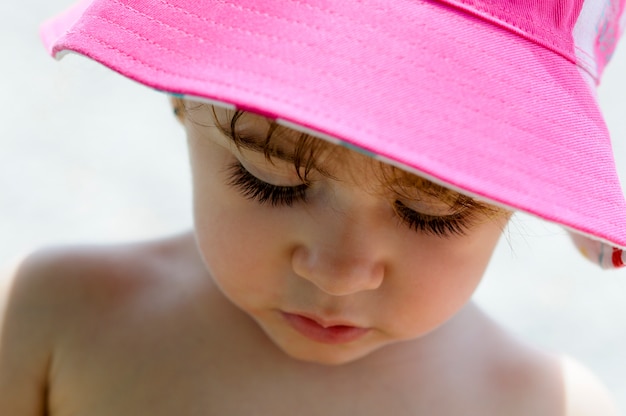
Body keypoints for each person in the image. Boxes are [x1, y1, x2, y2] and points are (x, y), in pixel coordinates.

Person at [1, 0, 624, 414]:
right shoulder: (58, 318)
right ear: (181, 100)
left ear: (527, 194)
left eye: (432, 212)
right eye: (270, 179)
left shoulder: (548, 405)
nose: (339, 271)